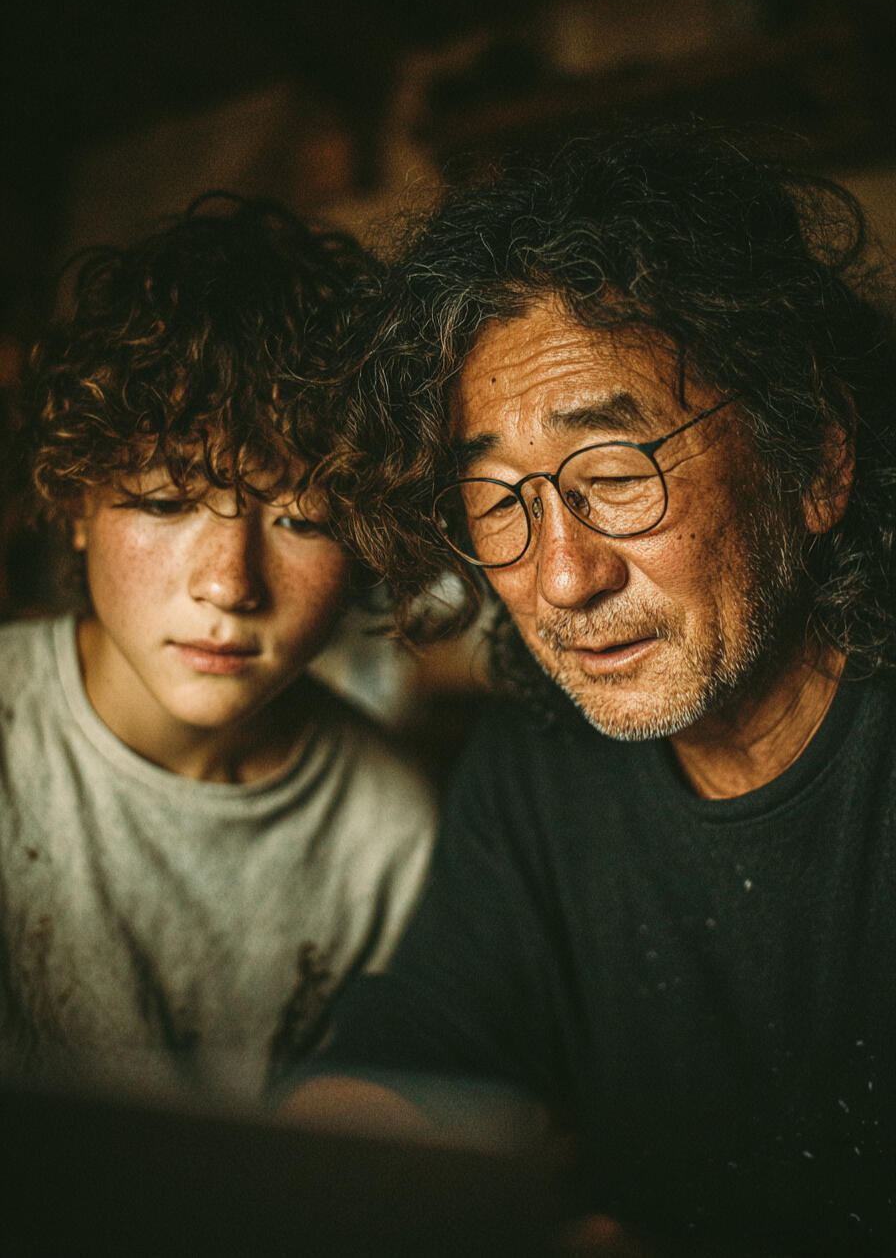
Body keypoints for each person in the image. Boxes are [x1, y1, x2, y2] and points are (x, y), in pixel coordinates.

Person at [286, 126, 896, 1255]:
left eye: (614, 477)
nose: (561, 575)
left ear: (813, 461)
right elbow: (419, 1047)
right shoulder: (535, 766)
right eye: (498, 500)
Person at [0, 195, 436, 1103]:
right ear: (77, 501)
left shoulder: (391, 831)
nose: (230, 583)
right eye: (165, 501)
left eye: (303, 518)